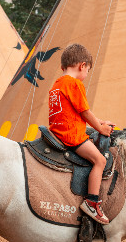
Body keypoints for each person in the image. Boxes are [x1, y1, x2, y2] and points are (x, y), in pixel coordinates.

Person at [48, 43, 115, 225]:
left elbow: (77, 112)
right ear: (82, 66)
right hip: (72, 136)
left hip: (57, 132)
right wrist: (101, 129)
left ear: (63, 66)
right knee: (99, 160)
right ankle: (92, 202)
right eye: (88, 71)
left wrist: (99, 121)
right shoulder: (75, 84)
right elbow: (85, 112)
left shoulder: (57, 84)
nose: (86, 76)